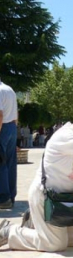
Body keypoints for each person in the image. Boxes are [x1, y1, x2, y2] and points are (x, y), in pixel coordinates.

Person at [0, 111, 73, 251]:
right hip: (46, 196)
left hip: (67, 199)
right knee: (55, 244)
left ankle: (34, 223)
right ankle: (10, 231)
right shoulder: (65, 136)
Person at [0, 79, 18, 210]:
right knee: (11, 162)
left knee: (1, 162)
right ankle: (11, 195)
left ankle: (4, 198)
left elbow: (0, 114)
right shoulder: (9, 89)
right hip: (12, 125)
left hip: (3, 127)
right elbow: (16, 114)